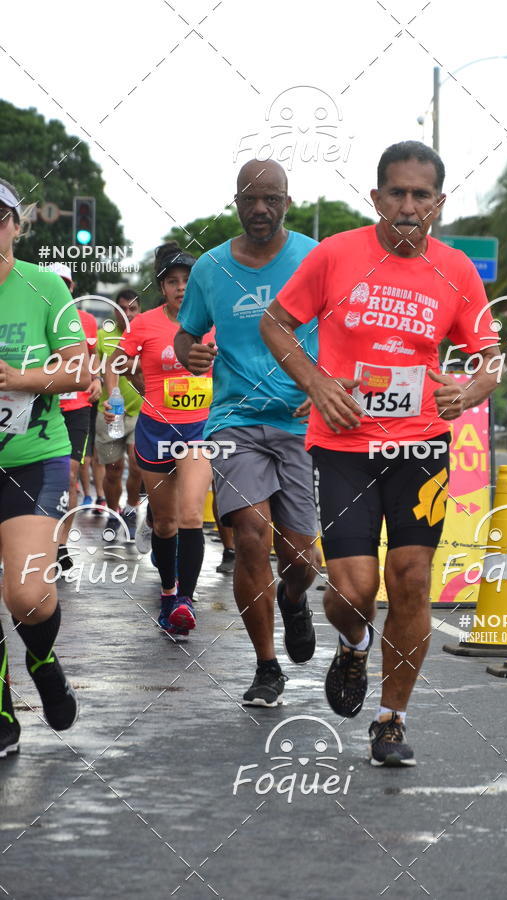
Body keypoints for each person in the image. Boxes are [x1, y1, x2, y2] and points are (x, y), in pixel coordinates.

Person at [260, 141, 501, 765]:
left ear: (439, 204)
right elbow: (275, 323)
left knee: (412, 581)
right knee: (353, 589)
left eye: (422, 195)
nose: (409, 205)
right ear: (376, 198)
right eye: (397, 192)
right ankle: (353, 643)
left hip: (421, 445)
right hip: (343, 443)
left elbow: (489, 360)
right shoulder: (337, 254)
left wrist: (471, 388)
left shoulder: (457, 271)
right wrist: (315, 382)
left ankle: (391, 721)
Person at [174, 159, 320, 707]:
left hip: (300, 422)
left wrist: (325, 384)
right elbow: (184, 337)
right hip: (234, 420)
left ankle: (294, 597)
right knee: (252, 534)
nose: (261, 209)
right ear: (236, 202)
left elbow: (347, 324)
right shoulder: (211, 268)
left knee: (302, 558)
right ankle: (265, 666)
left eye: (271, 199)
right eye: (250, 199)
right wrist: (192, 354)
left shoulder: (313, 257)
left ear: (288, 200)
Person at [0, 178, 90, 757]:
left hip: (33, 460)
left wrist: (18, 379)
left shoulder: (43, 286)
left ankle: (41, 657)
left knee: (28, 596)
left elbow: (80, 370)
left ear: (14, 224)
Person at [104, 243, 213, 641]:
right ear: (162, 287)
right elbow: (114, 361)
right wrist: (117, 395)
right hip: (155, 430)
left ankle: (184, 599)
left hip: (198, 431)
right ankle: (168, 594)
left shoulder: (212, 321)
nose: (182, 288)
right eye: (173, 282)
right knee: (165, 522)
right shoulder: (145, 324)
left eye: (188, 281)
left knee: (190, 516)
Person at [48, 263, 101, 569]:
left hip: (77, 407)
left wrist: (94, 381)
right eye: (54, 282)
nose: (60, 288)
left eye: (65, 283)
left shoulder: (86, 321)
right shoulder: (33, 315)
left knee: (69, 476)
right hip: (41, 405)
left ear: (71, 288)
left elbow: (92, 359)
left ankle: (62, 545)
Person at [94, 288, 143, 540]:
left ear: (139, 310)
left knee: (137, 465)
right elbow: (98, 371)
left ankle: (132, 509)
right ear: (115, 310)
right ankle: (114, 514)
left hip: (142, 412)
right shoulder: (103, 336)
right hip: (111, 413)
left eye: (132, 309)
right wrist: (111, 396)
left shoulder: (146, 333)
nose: (127, 314)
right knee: (113, 468)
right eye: (122, 308)